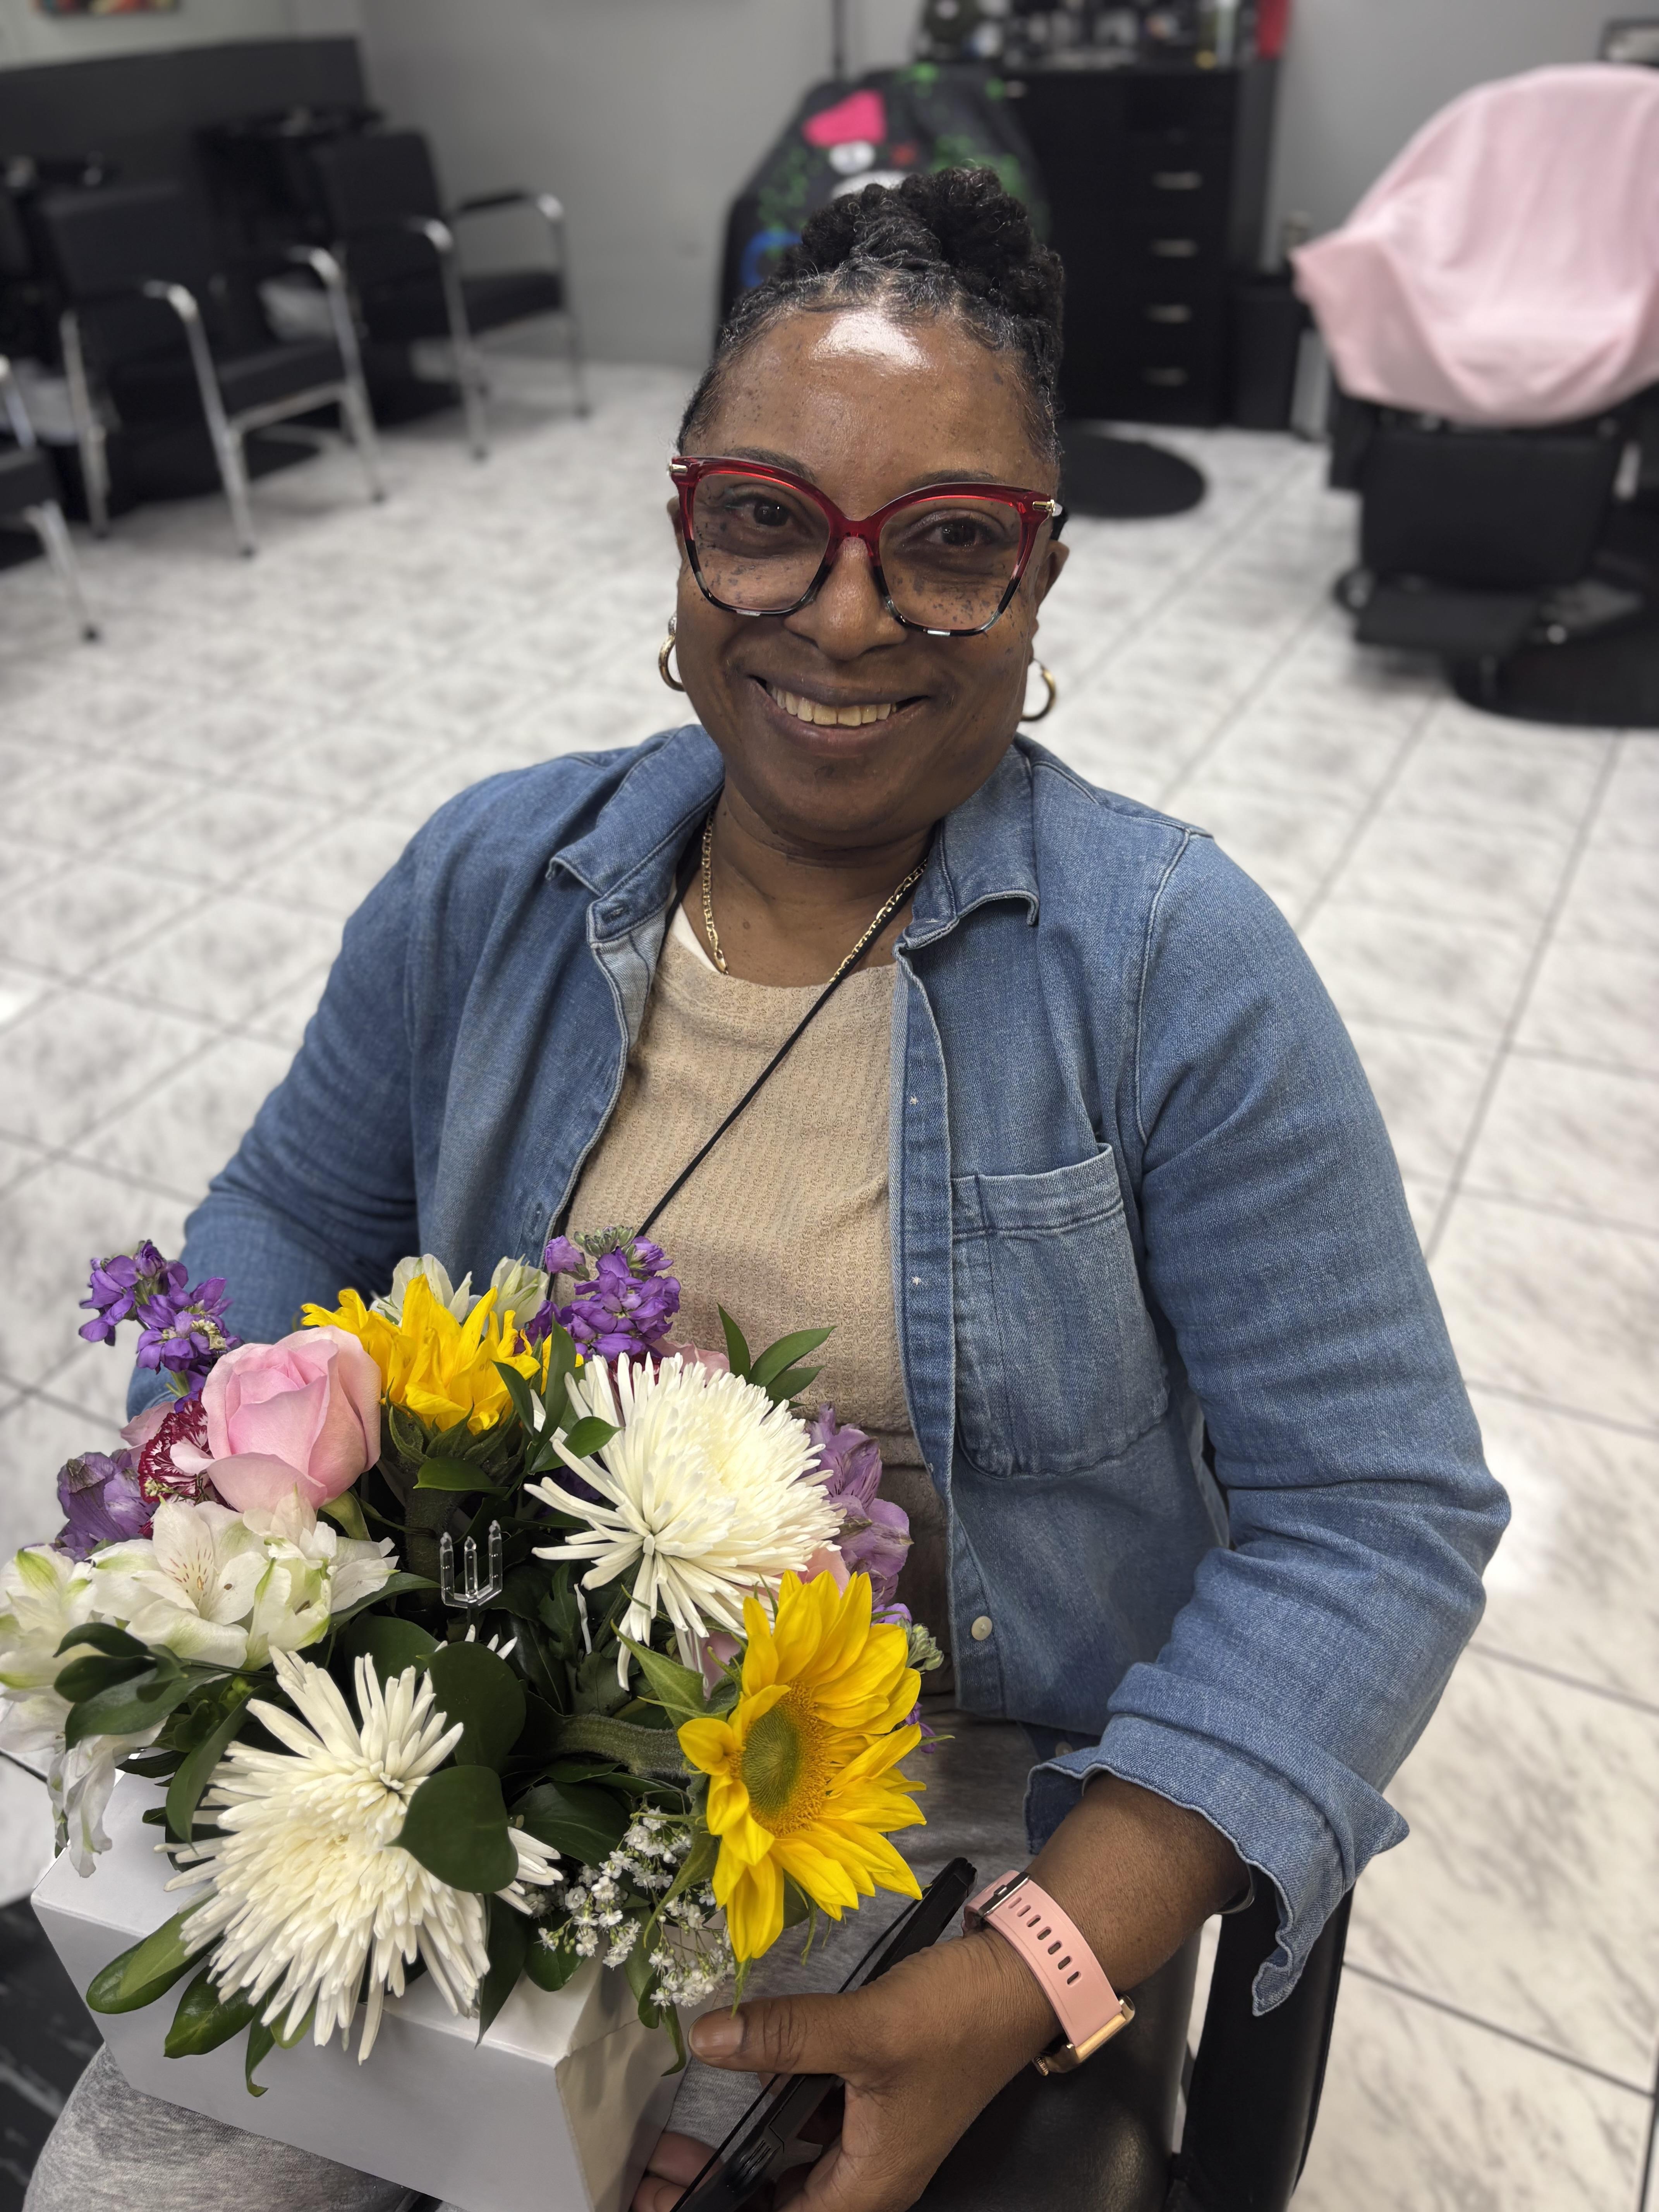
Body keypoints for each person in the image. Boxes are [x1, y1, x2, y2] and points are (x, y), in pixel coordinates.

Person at [26, 170, 1506, 2212]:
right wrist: (255, 1523)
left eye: (952, 547)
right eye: (765, 521)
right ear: (683, 537)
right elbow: (290, 1202)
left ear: (1040, 580)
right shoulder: (491, 884)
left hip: (926, 1779)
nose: (844, 610)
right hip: (491, 1689)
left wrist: (1030, 1972)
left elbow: (1378, 1510)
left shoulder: (1173, 972)